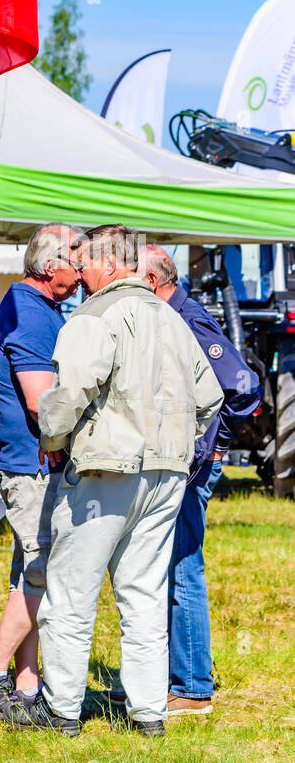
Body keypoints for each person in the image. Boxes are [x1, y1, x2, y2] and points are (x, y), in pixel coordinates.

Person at [32, 225, 221, 736]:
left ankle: (63, 710)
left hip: (105, 471)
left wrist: (51, 440)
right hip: (166, 474)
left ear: (110, 264)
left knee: (72, 593)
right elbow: (210, 397)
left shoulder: (94, 315)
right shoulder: (173, 319)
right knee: (143, 595)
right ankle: (148, 714)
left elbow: (68, 391)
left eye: (85, 259)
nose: (79, 269)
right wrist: (180, 445)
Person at [0, 224, 83, 724]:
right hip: (34, 464)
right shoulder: (31, 315)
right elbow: (41, 403)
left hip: (34, 462)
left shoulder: (38, 307)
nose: (82, 273)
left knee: (29, 573)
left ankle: (26, 684)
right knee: (40, 570)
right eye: (77, 262)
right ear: (51, 265)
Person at [139, 245, 260, 716]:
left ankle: (191, 688)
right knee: (170, 566)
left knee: (183, 567)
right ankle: (172, 679)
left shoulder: (186, 318)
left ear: (152, 282)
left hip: (194, 467)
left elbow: (243, 386)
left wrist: (215, 445)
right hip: (183, 463)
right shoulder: (172, 315)